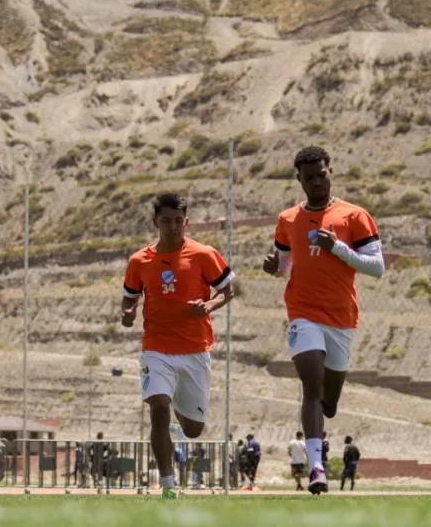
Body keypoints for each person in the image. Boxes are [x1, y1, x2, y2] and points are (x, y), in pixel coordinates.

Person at [262, 146, 385, 494]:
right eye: (309, 177)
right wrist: (275, 268)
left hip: (341, 318)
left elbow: (377, 267)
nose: (317, 182)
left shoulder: (355, 216)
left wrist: (339, 249)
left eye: (322, 174)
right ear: (299, 179)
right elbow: (286, 265)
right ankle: (317, 466)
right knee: (311, 385)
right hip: (303, 312)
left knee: (328, 401)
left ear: (332, 171)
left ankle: (326, 411)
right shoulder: (288, 220)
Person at [121, 192, 235, 500]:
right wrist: (129, 312)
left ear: (186, 222)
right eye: (166, 221)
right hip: (156, 348)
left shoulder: (203, 254)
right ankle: (169, 485)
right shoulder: (139, 260)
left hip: (195, 350)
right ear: (155, 222)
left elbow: (228, 290)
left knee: (193, 429)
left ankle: (181, 406)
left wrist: (209, 304)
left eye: (178, 222)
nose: (173, 228)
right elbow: (130, 296)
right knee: (159, 408)